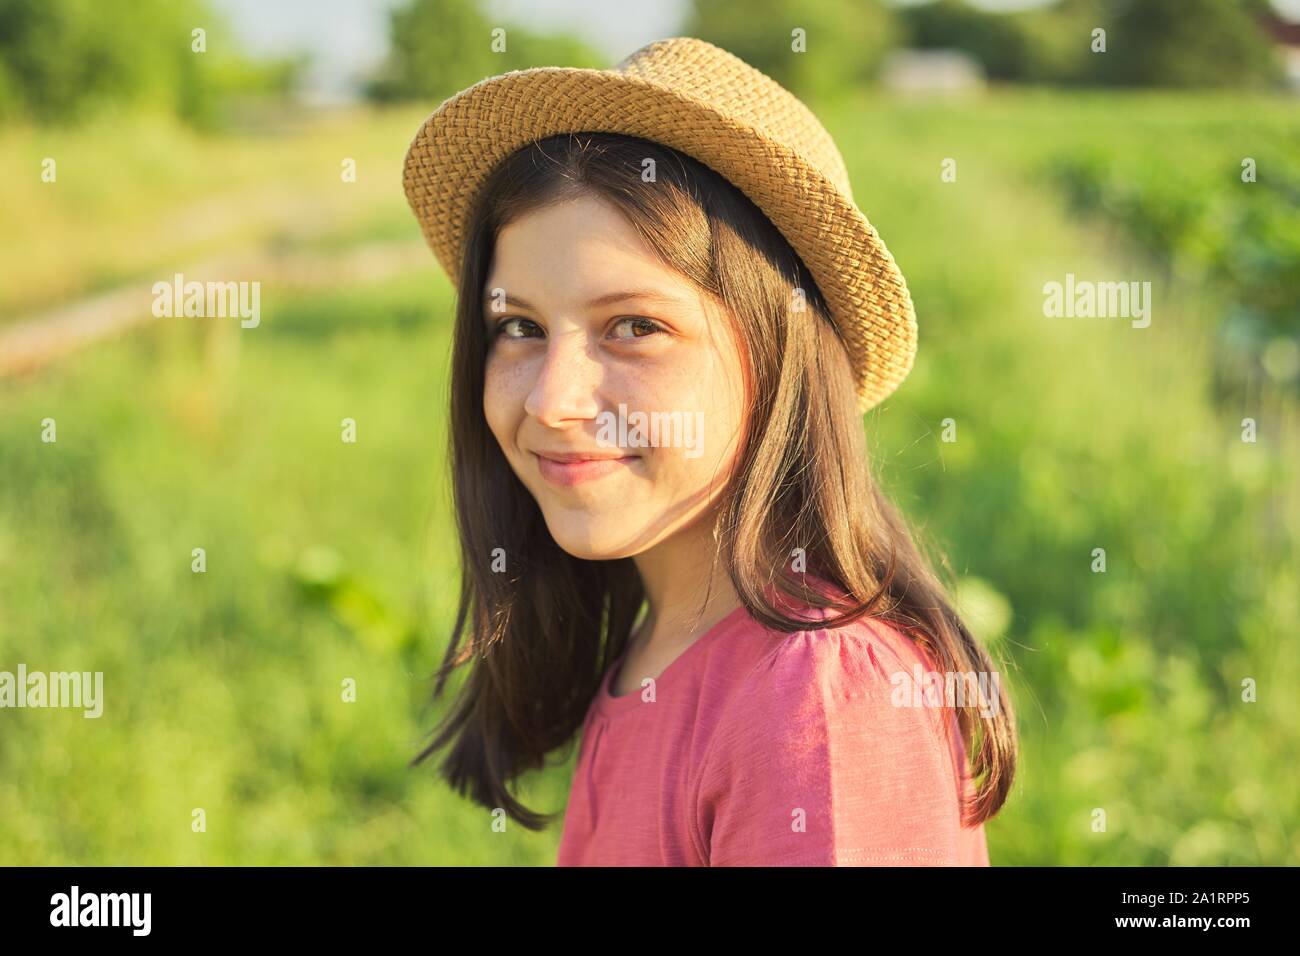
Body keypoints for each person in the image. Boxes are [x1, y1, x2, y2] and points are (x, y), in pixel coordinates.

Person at [404, 36, 1017, 866]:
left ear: (779, 360)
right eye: (519, 328)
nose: (553, 398)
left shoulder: (818, 703)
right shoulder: (660, 649)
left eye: (635, 327)